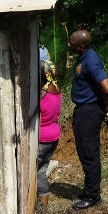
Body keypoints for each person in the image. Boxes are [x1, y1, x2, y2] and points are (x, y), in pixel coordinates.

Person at [68, 30, 108, 210]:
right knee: (84, 151)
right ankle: (89, 191)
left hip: (90, 111)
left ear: (81, 46)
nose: (69, 45)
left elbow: (106, 87)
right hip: (84, 110)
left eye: (71, 43)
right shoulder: (84, 58)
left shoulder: (92, 61)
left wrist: (105, 104)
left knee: (89, 154)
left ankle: (93, 196)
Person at [37, 60, 61, 205]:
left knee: (39, 172)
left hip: (42, 137)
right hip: (53, 134)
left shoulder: (42, 93)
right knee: (43, 167)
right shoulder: (57, 88)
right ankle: (42, 203)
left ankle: (43, 205)